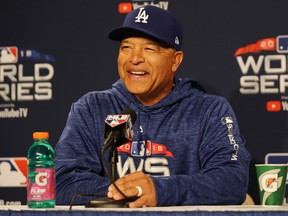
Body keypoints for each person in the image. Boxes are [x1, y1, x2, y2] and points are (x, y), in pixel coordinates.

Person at [55, 5, 251, 208]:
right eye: (126, 47)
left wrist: (161, 191)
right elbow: (62, 182)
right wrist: (133, 192)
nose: (135, 58)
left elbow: (232, 180)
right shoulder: (92, 108)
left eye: (149, 48)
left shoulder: (209, 110)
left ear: (175, 61)